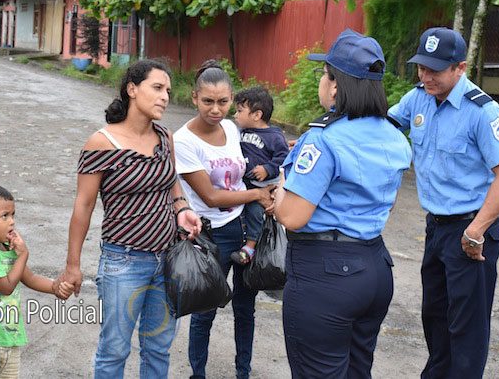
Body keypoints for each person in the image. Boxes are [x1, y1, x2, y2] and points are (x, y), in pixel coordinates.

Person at [274, 29, 412, 378]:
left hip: (326, 275)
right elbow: (387, 203)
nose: (322, 81)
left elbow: (291, 216)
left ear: (335, 87)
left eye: (325, 74)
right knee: (356, 371)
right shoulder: (394, 135)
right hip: (374, 268)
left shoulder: (322, 138)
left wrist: (281, 183)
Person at [388, 27, 499, 378]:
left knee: (467, 329)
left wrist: (477, 230)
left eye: (435, 70)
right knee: (435, 317)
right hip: (436, 228)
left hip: (471, 231)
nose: (425, 76)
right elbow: (384, 124)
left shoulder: (483, 112)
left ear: (460, 68)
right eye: (421, 67)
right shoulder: (418, 98)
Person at [59, 59, 202, 379]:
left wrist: (182, 208)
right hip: (123, 261)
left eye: (168, 89)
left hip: (168, 260)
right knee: (114, 351)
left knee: (158, 349)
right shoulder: (101, 143)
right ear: (132, 89)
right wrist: (73, 264)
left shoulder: (165, 137)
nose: (165, 96)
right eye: (157, 88)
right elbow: (83, 206)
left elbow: (172, 181)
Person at [173, 60, 275, 379]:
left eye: (223, 102)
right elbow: (211, 198)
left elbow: (242, 174)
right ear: (194, 98)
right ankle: (197, 374)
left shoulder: (232, 128)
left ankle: (243, 372)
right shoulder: (183, 141)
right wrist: (257, 195)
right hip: (210, 236)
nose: (215, 109)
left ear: (231, 99)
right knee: (205, 311)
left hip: (244, 228)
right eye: (208, 101)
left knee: (246, 308)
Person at [0, 183, 73, 379]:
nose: (11, 222)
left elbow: (29, 278)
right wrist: (22, 255)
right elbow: (6, 287)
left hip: (8, 340)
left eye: (13, 215)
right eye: (4, 216)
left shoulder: (6, 248)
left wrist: (55, 287)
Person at [230, 86, 289, 265]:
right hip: (244, 183)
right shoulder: (241, 132)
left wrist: (268, 169)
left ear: (256, 115)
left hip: (262, 186)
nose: (235, 115)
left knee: (255, 213)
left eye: (240, 111)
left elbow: (284, 157)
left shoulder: (274, 136)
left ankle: (250, 246)